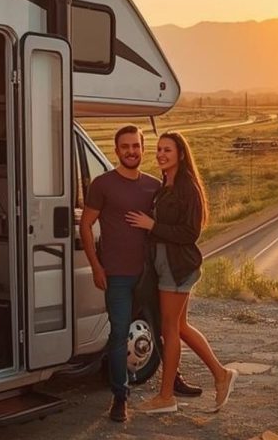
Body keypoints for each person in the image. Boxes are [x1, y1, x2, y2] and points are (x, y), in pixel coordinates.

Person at [79, 125, 203, 424]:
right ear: (116, 149)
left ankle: (174, 381)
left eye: (136, 146)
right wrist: (96, 266)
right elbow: (85, 225)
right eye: (125, 147)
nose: (131, 151)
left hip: (151, 274)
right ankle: (120, 398)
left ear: (142, 149)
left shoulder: (153, 186)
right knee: (120, 333)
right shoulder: (102, 184)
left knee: (164, 328)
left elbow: (167, 223)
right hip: (117, 275)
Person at [126, 131, 236, 415]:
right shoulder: (167, 185)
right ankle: (221, 375)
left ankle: (166, 397)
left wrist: (152, 226)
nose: (161, 154)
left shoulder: (187, 188)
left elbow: (190, 233)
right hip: (167, 266)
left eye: (168, 150)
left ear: (181, 155)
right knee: (180, 327)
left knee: (169, 329)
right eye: (159, 150)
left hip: (177, 267)